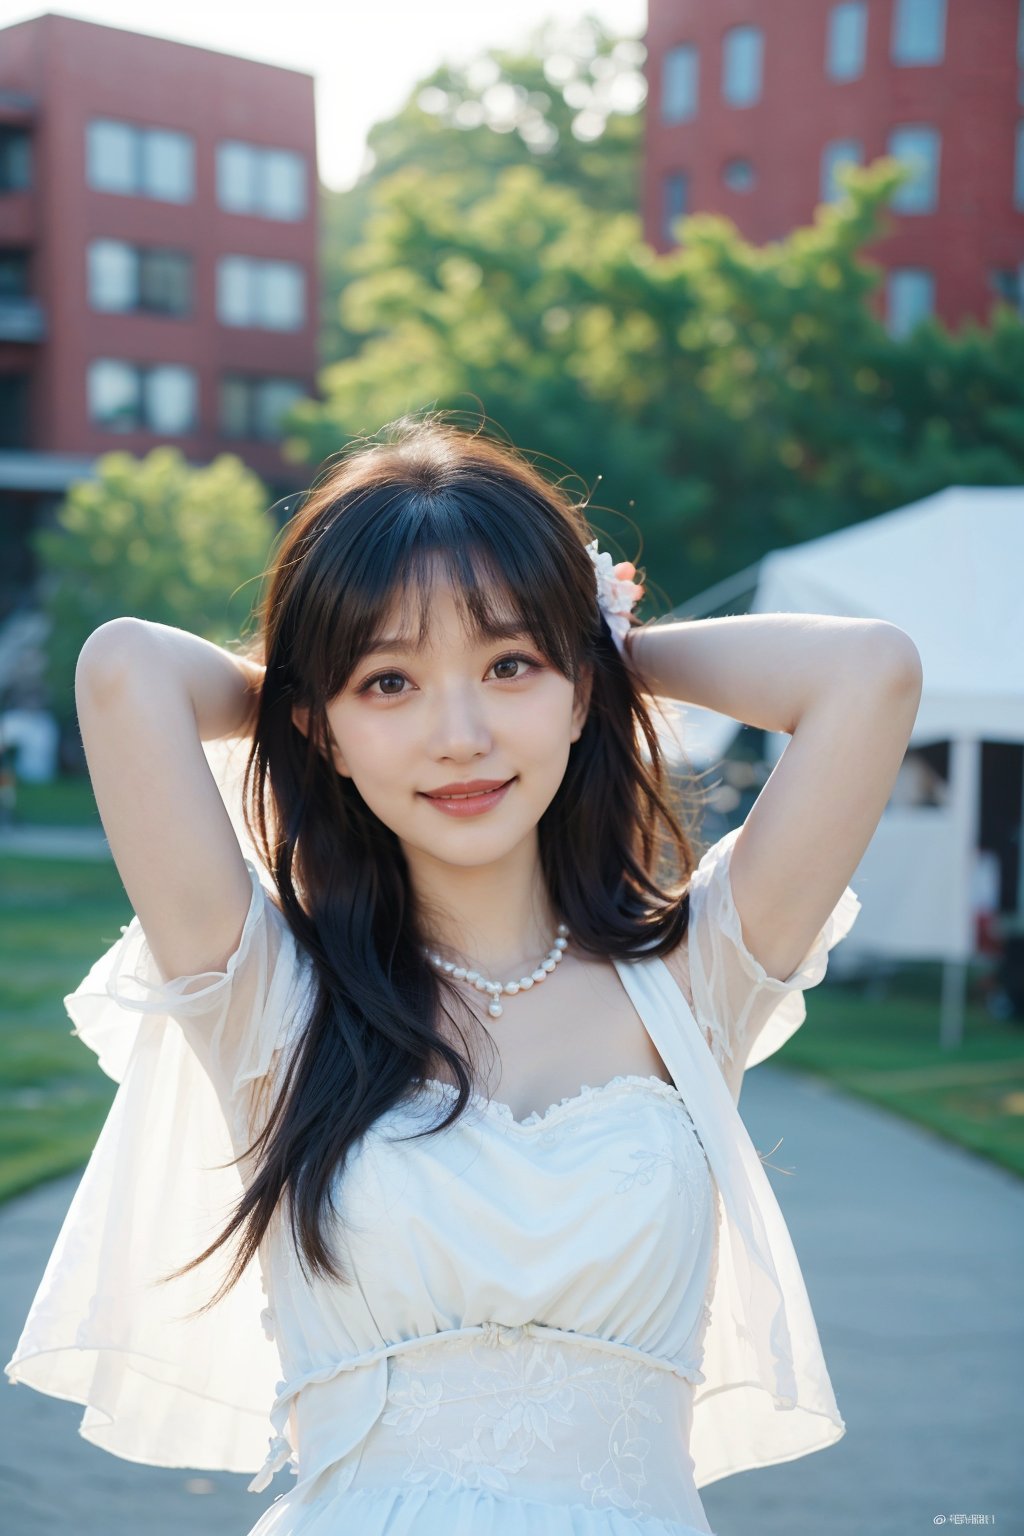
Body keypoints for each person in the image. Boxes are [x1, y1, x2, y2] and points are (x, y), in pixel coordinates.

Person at [5, 415, 923, 1535]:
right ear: (320, 729)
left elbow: (870, 673)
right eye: (389, 684)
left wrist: (604, 646)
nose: (460, 734)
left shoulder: (696, 978)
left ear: (580, 692)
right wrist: (320, 685)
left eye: (508, 667)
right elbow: (124, 670)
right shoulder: (268, 997)